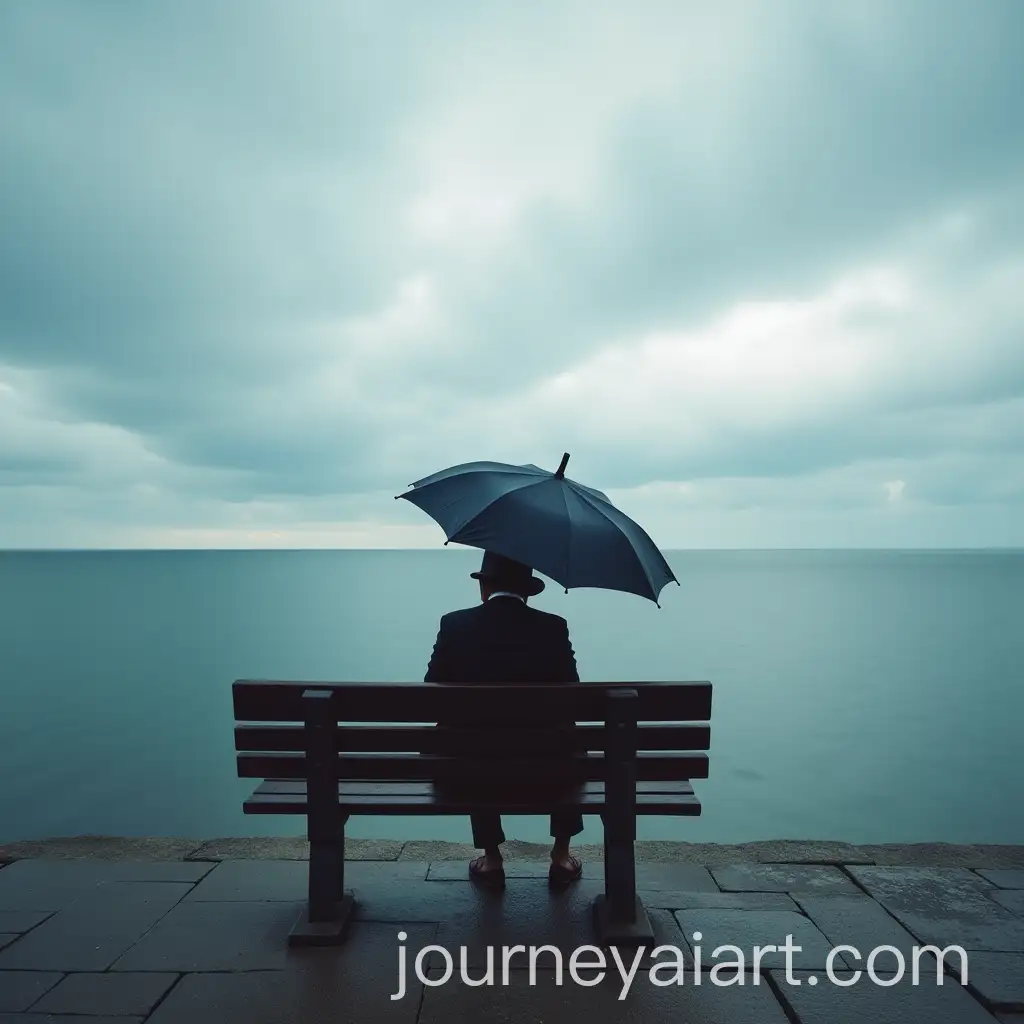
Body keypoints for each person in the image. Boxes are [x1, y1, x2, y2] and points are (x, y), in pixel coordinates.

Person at [423, 549, 584, 888]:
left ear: (485, 588)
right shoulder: (554, 628)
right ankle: (560, 855)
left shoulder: (454, 625)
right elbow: (574, 699)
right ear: (526, 591)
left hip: (469, 770)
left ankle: (492, 858)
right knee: (570, 741)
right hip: (547, 769)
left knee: (472, 739)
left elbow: (430, 694)